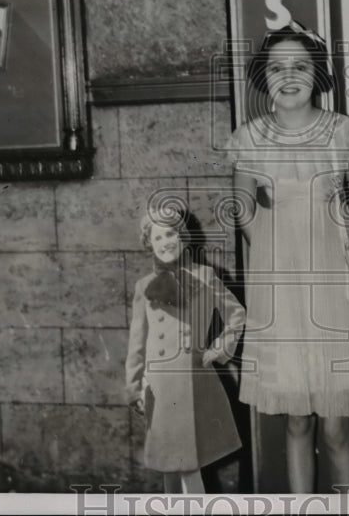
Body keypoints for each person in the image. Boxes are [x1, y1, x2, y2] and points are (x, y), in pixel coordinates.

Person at [226, 24, 349, 493]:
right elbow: (244, 212)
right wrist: (279, 259)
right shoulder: (249, 138)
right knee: (296, 423)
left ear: (317, 74)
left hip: (337, 290)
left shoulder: (344, 131)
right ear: (264, 78)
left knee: (337, 428)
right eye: (278, 68)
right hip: (283, 294)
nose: (289, 76)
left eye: (300, 66)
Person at [125, 208, 246, 494]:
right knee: (169, 464)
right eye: (158, 237)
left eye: (171, 233)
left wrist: (219, 348)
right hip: (158, 384)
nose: (165, 241)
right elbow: (137, 341)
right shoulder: (143, 287)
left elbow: (237, 314)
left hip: (191, 383)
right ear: (149, 243)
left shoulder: (205, 276)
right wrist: (134, 386)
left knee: (187, 463)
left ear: (183, 238)